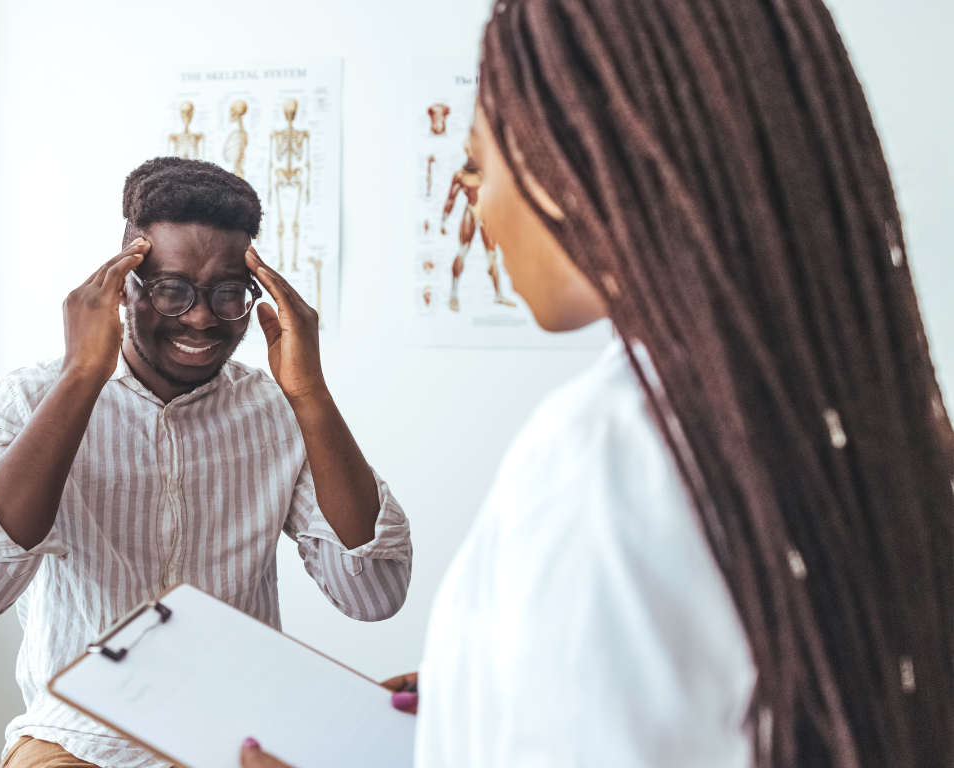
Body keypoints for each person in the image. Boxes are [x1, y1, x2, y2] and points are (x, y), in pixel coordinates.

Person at [241, 0, 952, 766]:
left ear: (577, 158)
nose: (474, 207)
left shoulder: (605, 457)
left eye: (478, 163)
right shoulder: (876, 428)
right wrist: (486, 702)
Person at [0, 157, 413, 768]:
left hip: (240, 745)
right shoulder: (24, 400)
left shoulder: (277, 409)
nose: (202, 316)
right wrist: (81, 375)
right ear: (122, 284)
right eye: (170, 288)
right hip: (78, 743)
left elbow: (374, 593)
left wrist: (310, 392)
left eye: (227, 292)